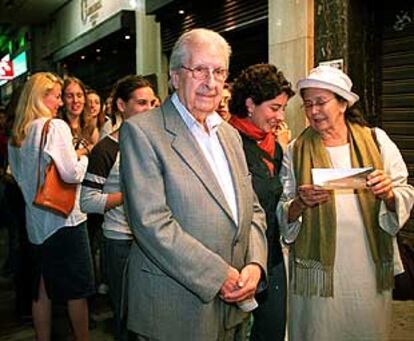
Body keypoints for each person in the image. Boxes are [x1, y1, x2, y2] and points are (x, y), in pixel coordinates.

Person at [119, 28, 268, 341]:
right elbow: (151, 223)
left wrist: (255, 263)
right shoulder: (143, 132)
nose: (211, 82)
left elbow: (251, 209)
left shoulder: (228, 134)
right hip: (174, 307)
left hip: (232, 305)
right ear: (175, 77)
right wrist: (218, 276)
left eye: (219, 71)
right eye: (199, 70)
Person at [276, 65, 414, 340]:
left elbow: (404, 190)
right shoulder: (296, 150)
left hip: (367, 265)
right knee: (319, 331)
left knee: (365, 330)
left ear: (342, 103)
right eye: (308, 104)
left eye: (321, 102)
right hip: (318, 271)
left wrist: (388, 193)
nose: (313, 111)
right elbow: (283, 207)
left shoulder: (376, 140)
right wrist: (300, 203)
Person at [8, 72, 95, 341]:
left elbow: (19, 179)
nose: (60, 102)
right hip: (65, 220)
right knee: (76, 291)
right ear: (40, 96)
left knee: (42, 289)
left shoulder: (17, 134)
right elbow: (71, 174)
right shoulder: (54, 127)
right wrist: (84, 157)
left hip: (35, 225)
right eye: (56, 96)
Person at [80, 75, 156, 341]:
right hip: (121, 243)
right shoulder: (106, 149)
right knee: (126, 319)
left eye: (152, 103)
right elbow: (87, 201)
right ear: (121, 105)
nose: (149, 109)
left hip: (154, 242)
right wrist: (127, 194)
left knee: (151, 319)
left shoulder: (157, 143)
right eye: (141, 103)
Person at [229, 63, 295, 341]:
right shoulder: (226, 143)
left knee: (272, 330)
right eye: (274, 108)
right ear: (249, 104)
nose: (281, 116)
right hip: (237, 260)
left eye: (283, 108)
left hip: (272, 256)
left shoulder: (274, 145)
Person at [61, 76, 99, 153]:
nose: (75, 100)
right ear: (62, 99)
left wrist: (83, 151)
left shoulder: (90, 126)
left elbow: (96, 149)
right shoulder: (57, 126)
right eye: (69, 96)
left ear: (84, 99)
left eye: (79, 95)